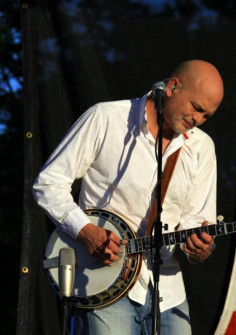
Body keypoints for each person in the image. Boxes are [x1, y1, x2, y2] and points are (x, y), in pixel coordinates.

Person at [33, 59, 224, 334]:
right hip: (104, 283)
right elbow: (48, 183)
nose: (197, 120)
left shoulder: (202, 148)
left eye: (206, 116)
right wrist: (86, 231)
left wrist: (200, 247)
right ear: (172, 87)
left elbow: (195, 221)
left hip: (168, 293)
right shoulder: (106, 118)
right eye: (195, 108)